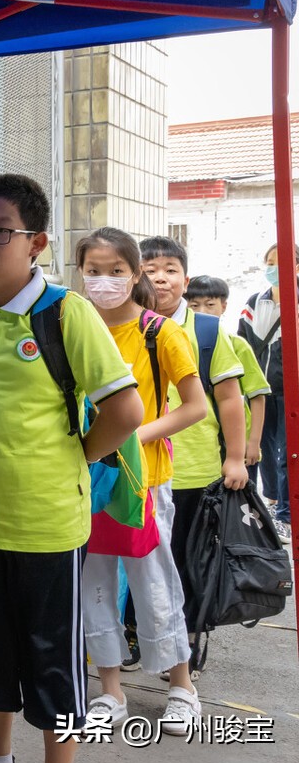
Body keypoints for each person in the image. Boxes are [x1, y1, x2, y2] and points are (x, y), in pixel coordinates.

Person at [0, 175, 142, 763]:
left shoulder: (67, 314)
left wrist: (77, 454)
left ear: (35, 242)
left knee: (53, 662)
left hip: (45, 524)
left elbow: (125, 410)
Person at [75, 228, 207, 736]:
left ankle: (181, 687)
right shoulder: (72, 326)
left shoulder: (160, 332)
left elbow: (195, 406)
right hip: (85, 478)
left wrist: (128, 436)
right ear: (80, 272)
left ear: (135, 274)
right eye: (93, 270)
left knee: (155, 584)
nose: (103, 281)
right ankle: (110, 691)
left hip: (144, 481)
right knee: (96, 585)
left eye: (115, 271)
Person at [139, 238, 247, 655]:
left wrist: (235, 458)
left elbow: (229, 398)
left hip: (194, 471)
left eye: (169, 269)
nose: (160, 277)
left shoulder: (206, 330)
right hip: (139, 468)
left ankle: (187, 640)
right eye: (150, 268)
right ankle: (139, 635)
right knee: (140, 563)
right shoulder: (125, 325)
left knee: (188, 563)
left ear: (185, 279)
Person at [186, 274, 271, 510]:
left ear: (224, 306)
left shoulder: (237, 344)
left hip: (238, 445)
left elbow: (257, 395)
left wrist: (253, 443)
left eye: (210, 304)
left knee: (239, 506)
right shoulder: (182, 340)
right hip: (209, 444)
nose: (202, 310)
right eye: (194, 305)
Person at [237, 245, 294, 544]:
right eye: (269, 262)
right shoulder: (254, 303)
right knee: (259, 449)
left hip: (291, 392)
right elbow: (242, 344)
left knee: (288, 453)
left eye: (280, 262)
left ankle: (285, 516)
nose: (273, 268)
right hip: (258, 390)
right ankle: (266, 505)